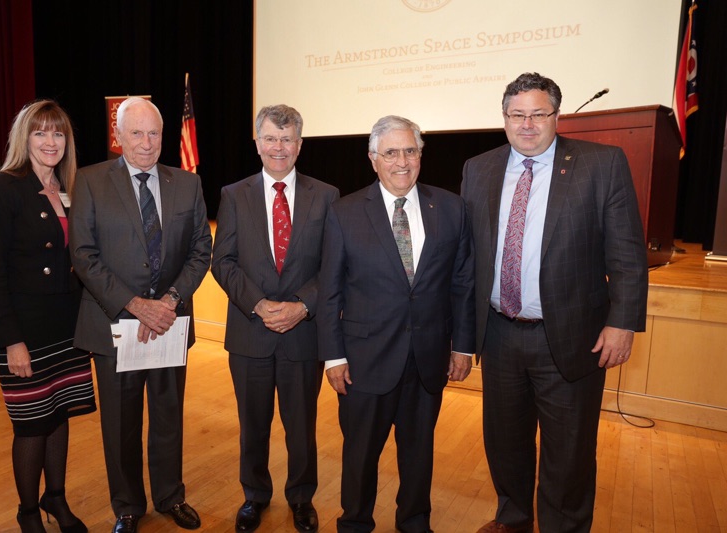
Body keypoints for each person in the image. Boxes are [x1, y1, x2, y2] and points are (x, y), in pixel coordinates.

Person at [460, 72, 648, 533]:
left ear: (556, 117)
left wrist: (622, 322)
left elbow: (627, 253)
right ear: (503, 118)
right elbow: (467, 259)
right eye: (517, 115)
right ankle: (514, 518)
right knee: (505, 442)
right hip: (498, 333)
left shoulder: (601, 164)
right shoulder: (478, 167)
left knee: (569, 452)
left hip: (570, 338)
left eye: (538, 114)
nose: (527, 124)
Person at [317, 115, 475, 533]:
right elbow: (329, 291)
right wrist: (333, 357)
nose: (402, 161)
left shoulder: (452, 208)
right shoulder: (344, 212)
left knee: (419, 454)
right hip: (364, 362)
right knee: (360, 455)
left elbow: (462, 283)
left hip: (428, 360)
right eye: (391, 152)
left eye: (410, 151)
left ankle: (415, 522)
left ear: (421, 155)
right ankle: (354, 523)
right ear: (373, 159)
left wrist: (463, 345)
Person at [69, 97, 212, 533]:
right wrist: (135, 305)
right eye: (136, 133)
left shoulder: (187, 183)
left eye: (154, 133)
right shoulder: (91, 182)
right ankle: (128, 506)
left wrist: (167, 302)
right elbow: (84, 255)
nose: (147, 143)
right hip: (115, 326)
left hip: (169, 324)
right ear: (118, 136)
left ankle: (170, 495)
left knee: (168, 417)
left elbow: (199, 251)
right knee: (120, 424)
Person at [211, 105, 339, 533]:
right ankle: (255, 495)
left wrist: (303, 305)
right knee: (253, 425)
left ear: (299, 145)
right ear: (257, 143)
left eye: (287, 139)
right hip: (250, 332)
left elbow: (334, 266)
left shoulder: (326, 195)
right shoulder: (234, 194)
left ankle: (301, 497)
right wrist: (260, 305)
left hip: (304, 334)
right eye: (270, 138)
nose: (278, 147)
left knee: (301, 426)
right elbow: (223, 261)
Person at [0, 99, 97, 533]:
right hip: (23, 328)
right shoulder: (1, 187)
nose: (51, 141)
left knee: (59, 414)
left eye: (59, 133)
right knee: (31, 424)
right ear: (23, 138)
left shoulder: (70, 188)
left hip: (65, 326)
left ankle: (56, 498)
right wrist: (11, 339)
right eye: (41, 132)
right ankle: (28, 511)